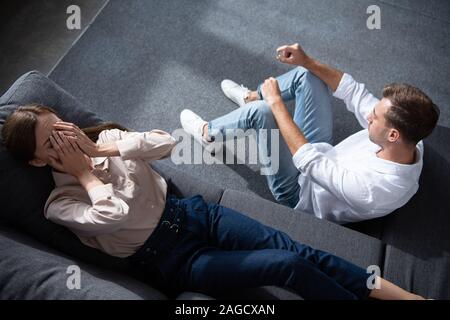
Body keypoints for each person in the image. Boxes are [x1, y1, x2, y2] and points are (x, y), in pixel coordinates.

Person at [1, 104, 425, 300]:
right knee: (287, 265)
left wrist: (98, 152)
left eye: (62, 126)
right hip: (174, 261)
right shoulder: (61, 202)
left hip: (194, 214)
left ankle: (405, 299)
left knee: (299, 249)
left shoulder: (108, 141)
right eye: (51, 141)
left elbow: (165, 143)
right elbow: (115, 212)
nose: (66, 138)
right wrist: (83, 172)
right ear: (38, 159)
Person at [180, 43, 440, 224]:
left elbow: (308, 162)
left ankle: (209, 133)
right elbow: (352, 91)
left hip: (299, 189)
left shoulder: (375, 190)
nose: (369, 115)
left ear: (393, 135)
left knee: (263, 113)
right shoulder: (409, 141)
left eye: (375, 117)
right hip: (322, 154)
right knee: (309, 75)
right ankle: (250, 97)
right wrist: (307, 61)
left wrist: (276, 104)